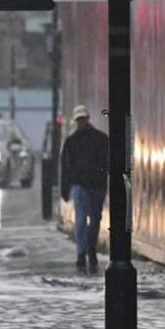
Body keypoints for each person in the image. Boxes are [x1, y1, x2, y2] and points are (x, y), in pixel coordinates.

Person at [60, 104, 109, 270]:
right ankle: (85, 252)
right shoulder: (99, 139)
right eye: (79, 119)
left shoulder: (73, 141)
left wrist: (65, 189)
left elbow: (66, 166)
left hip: (91, 184)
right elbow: (65, 166)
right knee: (85, 218)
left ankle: (87, 250)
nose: (81, 122)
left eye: (83, 119)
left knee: (93, 218)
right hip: (87, 184)